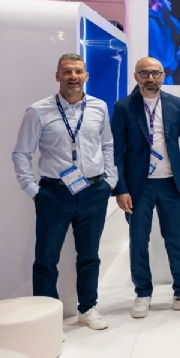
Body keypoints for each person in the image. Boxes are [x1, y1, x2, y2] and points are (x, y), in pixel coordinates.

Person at [12, 53, 117, 330]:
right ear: (57, 75)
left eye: (78, 71)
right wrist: (34, 190)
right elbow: (21, 153)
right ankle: (46, 319)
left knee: (89, 255)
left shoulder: (99, 107)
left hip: (93, 191)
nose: (73, 77)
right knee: (46, 259)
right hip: (54, 194)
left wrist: (110, 181)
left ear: (86, 76)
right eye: (67, 71)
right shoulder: (38, 111)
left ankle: (88, 308)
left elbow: (107, 145)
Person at [111, 57, 180, 317]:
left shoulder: (176, 104)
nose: (150, 78)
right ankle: (143, 293)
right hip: (138, 187)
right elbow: (117, 152)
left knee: (177, 239)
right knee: (138, 241)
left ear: (163, 76)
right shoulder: (123, 107)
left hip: (171, 183)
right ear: (136, 76)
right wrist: (120, 188)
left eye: (155, 73)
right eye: (144, 73)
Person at [148, 0, 180, 85]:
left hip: (168, 75)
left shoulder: (168, 22)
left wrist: (167, 15)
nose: (170, 3)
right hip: (151, 75)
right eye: (167, 0)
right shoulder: (146, 18)